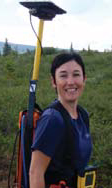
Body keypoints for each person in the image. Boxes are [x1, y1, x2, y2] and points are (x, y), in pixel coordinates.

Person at [29, 53, 92, 188]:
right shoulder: (52, 120)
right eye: (63, 75)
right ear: (54, 82)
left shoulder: (83, 115)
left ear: (84, 79)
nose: (70, 81)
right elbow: (35, 173)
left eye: (76, 74)